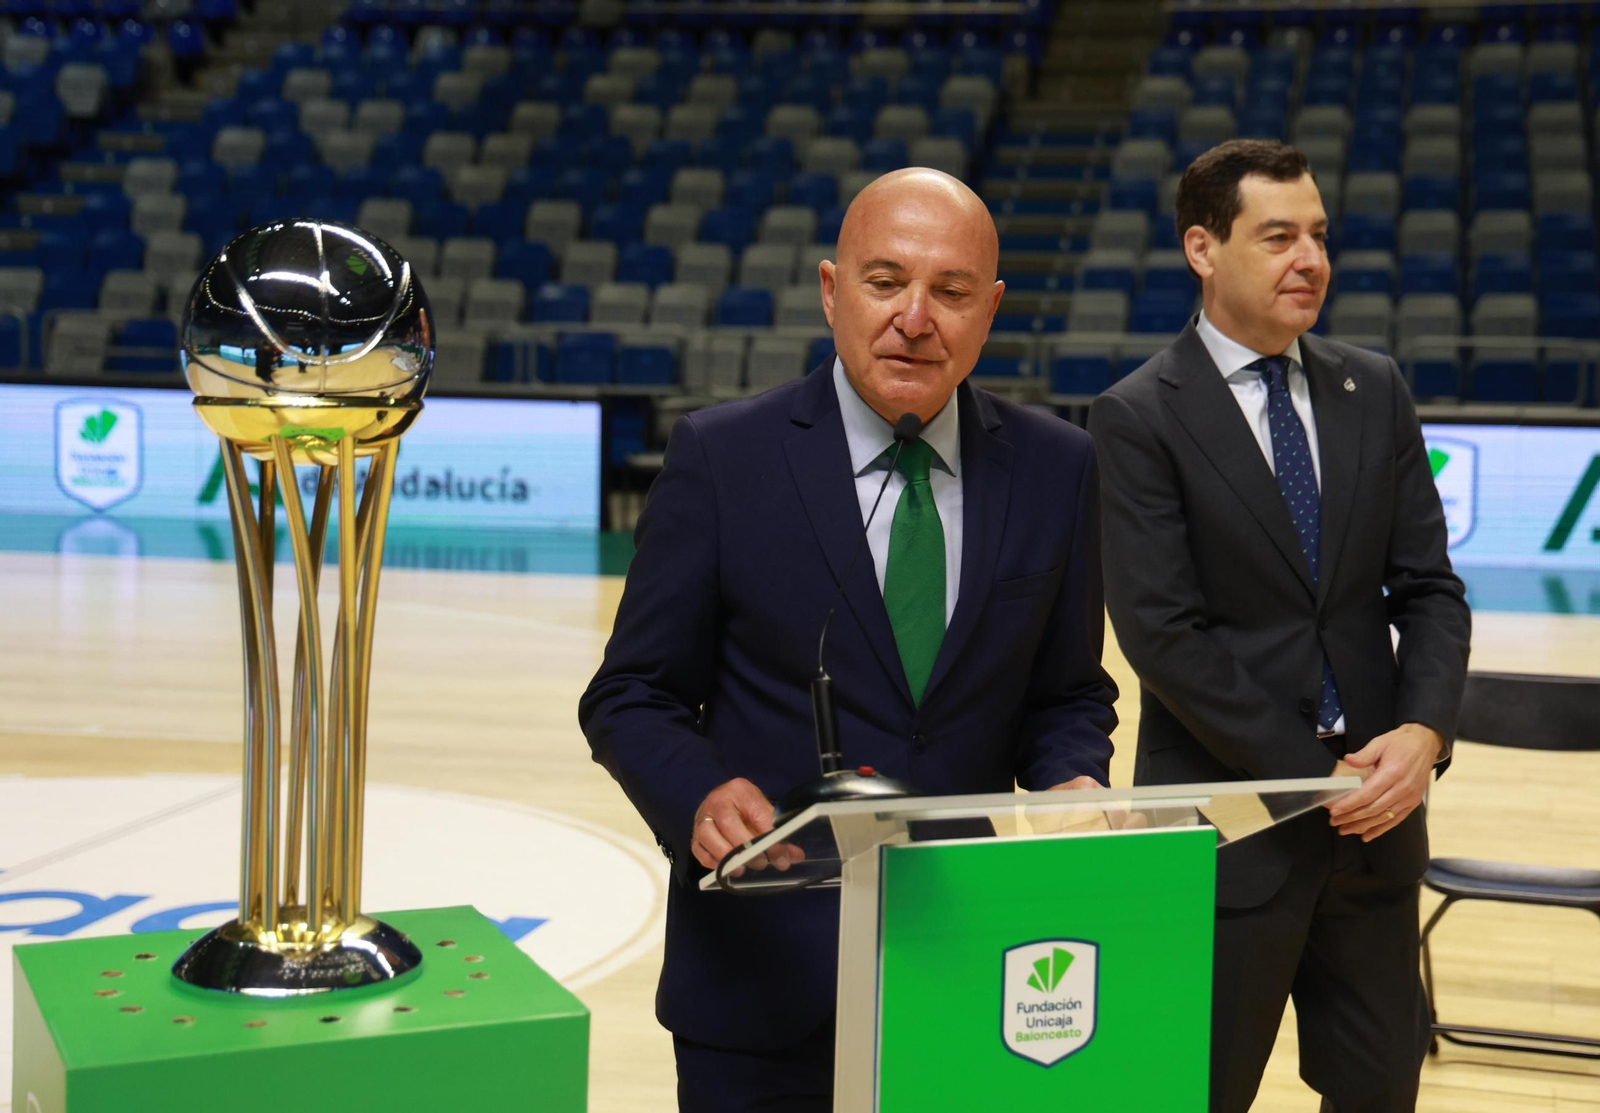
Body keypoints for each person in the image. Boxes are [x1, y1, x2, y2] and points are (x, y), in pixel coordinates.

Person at [580, 167, 1117, 1112]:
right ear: (832, 292)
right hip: (759, 978)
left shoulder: (1057, 468)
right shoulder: (723, 457)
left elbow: (1067, 692)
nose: (917, 316)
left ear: (989, 310)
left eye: (951, 292)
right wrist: (698, 791)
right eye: (885, 281)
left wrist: (1074, 776)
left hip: (965, 967)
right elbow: (631, 694)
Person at [1090, 139, 1471, 1113]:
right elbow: (1162, 635)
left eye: (1317, 235)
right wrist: (1312, 775)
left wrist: (1421, 736)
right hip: (1228, 835)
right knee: (1194, 1094)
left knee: (1379, 1092)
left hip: (1376, 829)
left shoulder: (1372, 387)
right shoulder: (1137, 415)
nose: (1310, 259)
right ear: (1201, 249)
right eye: (1277, 236)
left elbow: (1427, 590)